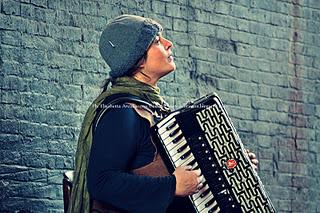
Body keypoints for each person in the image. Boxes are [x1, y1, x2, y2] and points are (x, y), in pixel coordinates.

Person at [68, 14, 259, 213]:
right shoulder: (122, 111)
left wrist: (233, 166)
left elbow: (186, 174)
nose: (169, 44)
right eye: (157, 41)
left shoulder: (153, 107)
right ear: (138, 58)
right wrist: (172, 186)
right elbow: (102, 182)